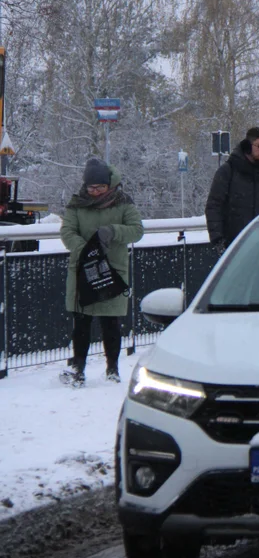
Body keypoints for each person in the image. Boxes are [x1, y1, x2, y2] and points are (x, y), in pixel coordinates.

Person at [59, 157, 145, 387]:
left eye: (100, 187)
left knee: (111, 323)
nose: (95, 192)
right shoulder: (77, 204)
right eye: (91, 187)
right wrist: (86, 250)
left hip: (112, 271)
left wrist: (113, 232)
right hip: (82, 270)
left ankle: (112, 369)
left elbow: (137, 230)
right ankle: (77, 367)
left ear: (109, 186)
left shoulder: (123, 203)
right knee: (81, 323)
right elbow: (67, 231)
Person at [205, 127, 259, 252]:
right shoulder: (228, 171)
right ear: (247, 146)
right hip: (233, 245)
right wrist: (219, 241)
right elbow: (214, 206)